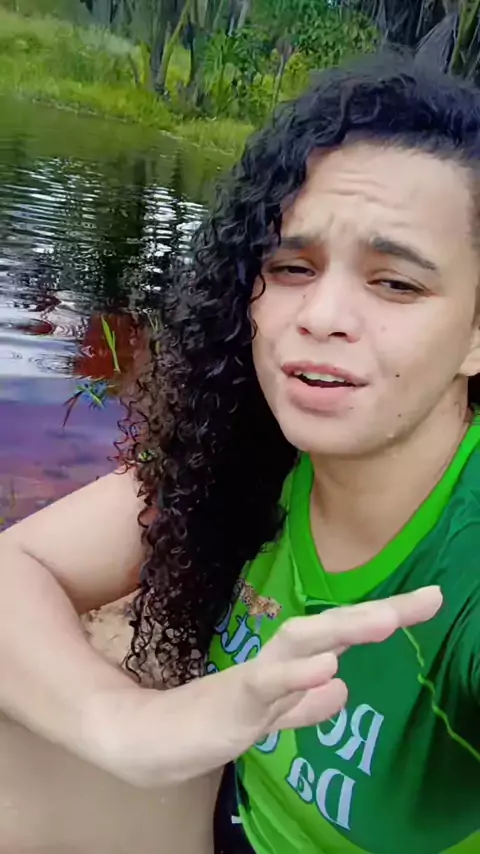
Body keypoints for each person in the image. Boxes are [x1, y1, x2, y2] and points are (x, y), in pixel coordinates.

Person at [2, 49, 480, 854]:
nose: (320, 315)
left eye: (396, 283)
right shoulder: (253, 454)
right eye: (291, 267)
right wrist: (127, 724)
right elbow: (18, 566)